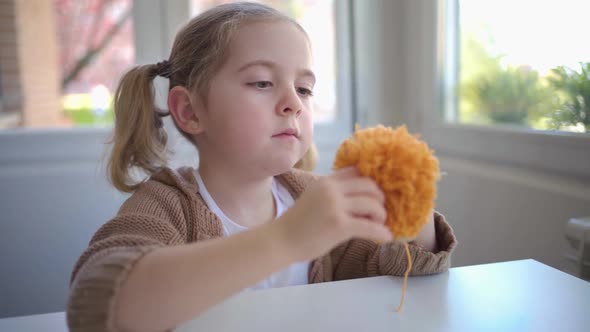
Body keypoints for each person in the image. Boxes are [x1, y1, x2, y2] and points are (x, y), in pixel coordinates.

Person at [67, 2, 457, 331]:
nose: (294, 103)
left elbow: (398, 275)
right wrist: (288, 240)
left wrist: (411, 211)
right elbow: (96, 304)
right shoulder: (166, 205)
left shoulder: (313, 197)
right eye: (261, 83)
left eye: (304, 88)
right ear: (190, 111)